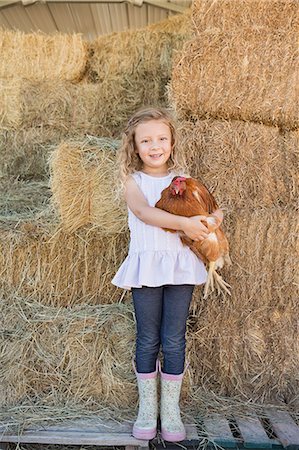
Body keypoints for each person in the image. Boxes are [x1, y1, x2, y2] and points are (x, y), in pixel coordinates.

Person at [112, 107, 223, 442]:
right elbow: (145, 213)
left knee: (174, 339)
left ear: (172, 143)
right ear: (134, 146)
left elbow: (211, 206)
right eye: (146, 140)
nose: (154, 145)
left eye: (161, 138)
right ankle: (148, 409)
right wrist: (185, 223)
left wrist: (211, 221)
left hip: (179, 264)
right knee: (148, 338)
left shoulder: (184, 179)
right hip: (146, 266)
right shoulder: (134, 182)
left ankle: (170, 410)